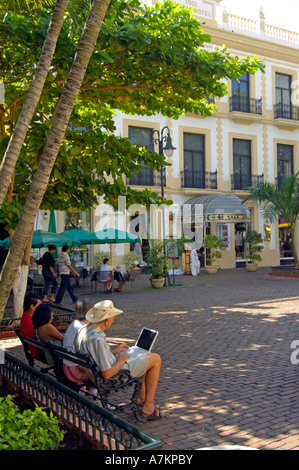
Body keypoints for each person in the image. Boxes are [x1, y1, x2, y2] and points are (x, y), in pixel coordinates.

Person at [74, 300, 163, 420]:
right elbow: (107, 374)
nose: (112, 320)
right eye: (112, 318)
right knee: (155, 359)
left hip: (94, 373)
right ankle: (148, 406)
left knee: (146, 355)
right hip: (112, 377)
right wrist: (120, 361)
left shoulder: (84, 330)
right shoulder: (98, 339)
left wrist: (114, 352)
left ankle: (141, 398)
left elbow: (97, 356)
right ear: (107, 320)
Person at [62, 298, 93, 383]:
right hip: (75, 370)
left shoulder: (74, 323)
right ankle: (93, 391)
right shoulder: (84, 330)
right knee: (104, 372)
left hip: (67, 365)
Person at [20, 292, 43, 360]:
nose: (41, 308)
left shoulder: (26, 317)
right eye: (39, 306)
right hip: (39, 352)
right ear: (32, 307)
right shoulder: (29, 322)